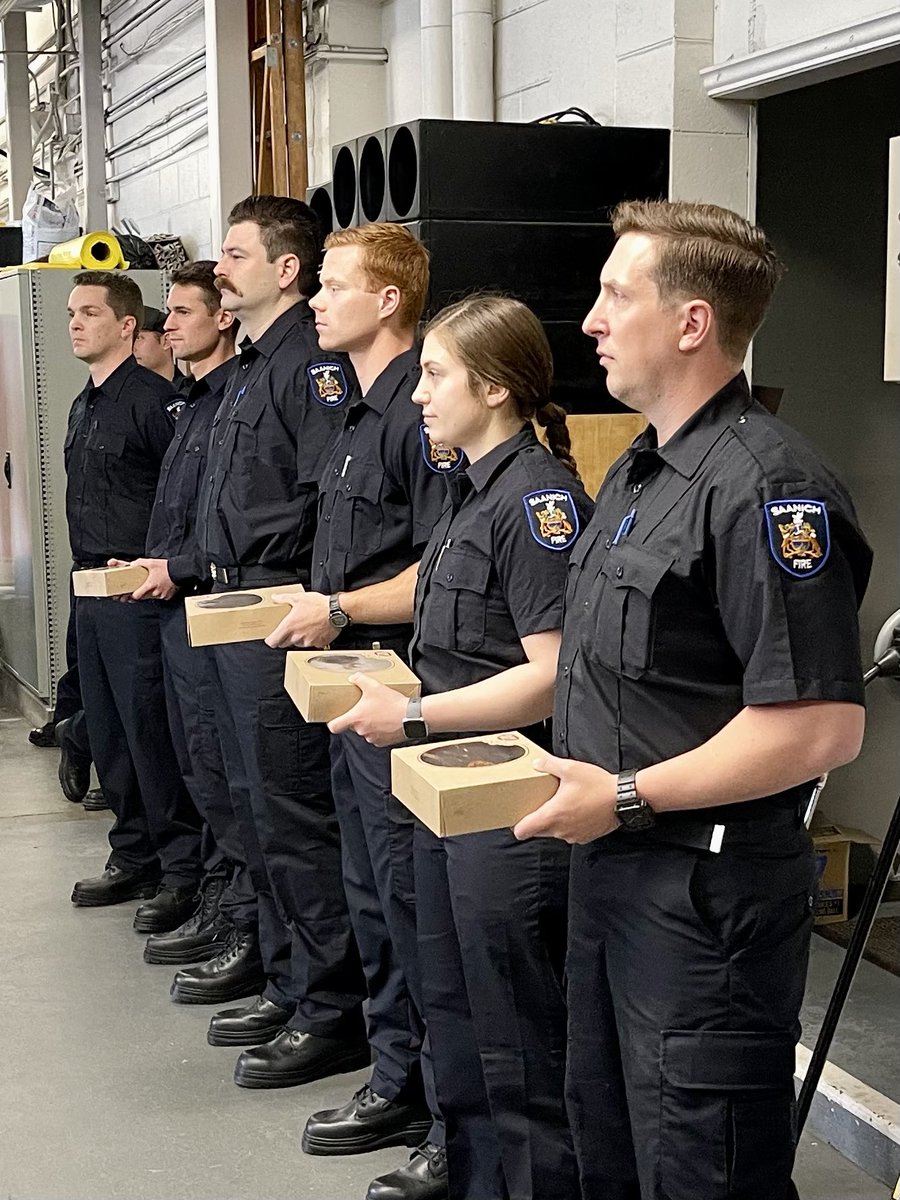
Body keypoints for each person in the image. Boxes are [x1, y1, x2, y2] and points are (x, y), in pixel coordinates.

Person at [512, 200, 873, 1200]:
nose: (589, 318)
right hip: (616, 875)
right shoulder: (638, 471)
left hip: (703, 901)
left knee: (700, 1165)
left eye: (616, 294)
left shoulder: (766, 485)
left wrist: (624, 795)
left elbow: (818, 728)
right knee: (613, 1143)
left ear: (692, 323)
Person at [330, 294, 593, 1200]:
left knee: (516, 1029)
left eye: (436, 375)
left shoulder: (536, 500)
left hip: (506, 799)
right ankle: (471, 1172)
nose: (419, 395)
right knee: (447, 994)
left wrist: (411, 718)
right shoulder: (469, 489)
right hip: (446, 780)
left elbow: (550, 675)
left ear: (493, 385)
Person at [266, 223, 462, 1199]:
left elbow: (440, 572)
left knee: (413, 902)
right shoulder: (351, 413)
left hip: (403, 687)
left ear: (389, 300)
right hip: (349, 686)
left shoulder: (417, 416)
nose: (316, 300)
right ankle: (395, 1076)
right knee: (374, 896)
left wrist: (339, 608)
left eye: (335, 285)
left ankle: (438, 1103)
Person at [171, 196, 369, 1093]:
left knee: (289, 817)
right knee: (247, 805)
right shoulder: (251, 367)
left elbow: (324, 504)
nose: (221, 269)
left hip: (273, 612)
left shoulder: (310, 369)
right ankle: (290, 981)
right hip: (227, 609)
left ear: (284, 269)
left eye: (236, 254)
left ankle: (329, 1010)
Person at [109, 261, 244, 954]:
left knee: (223, 776)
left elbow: (234, 526)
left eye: (182, 312)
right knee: (197, 767)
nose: (169, 325)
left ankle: (238, 919)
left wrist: (180, 567)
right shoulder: (190, 403)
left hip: (214, 609)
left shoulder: (231, 403)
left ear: (224, 317)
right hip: (177, 607)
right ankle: (217, 899)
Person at [64, 271, 204, 914]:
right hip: (90, 588)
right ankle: (132, 854)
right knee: (110, 731)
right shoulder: (82, 403)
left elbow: (187, 499)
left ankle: (179, 869)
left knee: (151, 733)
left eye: (89, 313)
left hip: (140, 595)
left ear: (126, 326)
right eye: (71, 313)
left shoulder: (156, 403)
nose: (74, 323)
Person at [133, 305, 190, 391]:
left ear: (166, 341)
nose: (132, 347)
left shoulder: (190, 394)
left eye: (138, 338)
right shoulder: (128, 395)